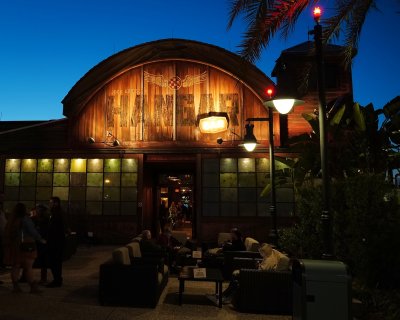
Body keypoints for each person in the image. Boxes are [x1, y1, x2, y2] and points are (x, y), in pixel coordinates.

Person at [220, 243, 289, 304]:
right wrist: (259, 265)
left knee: (235, 275)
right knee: (235, 277)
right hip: (257, 275)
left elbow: (260, 273)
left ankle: (227, 296)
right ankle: (226, 295)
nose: (259, 253)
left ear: (263, 251)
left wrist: (245, 271)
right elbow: (262, 269)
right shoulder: (270, 255)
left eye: (260, 252)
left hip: (256, 278)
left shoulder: (269, 261)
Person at [3, 202, 46, 293]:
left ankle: (16, 286)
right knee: (28, 267)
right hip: (27, 245)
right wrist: (40, 239)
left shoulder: (12, 220)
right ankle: (33, 287)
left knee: (16, 266)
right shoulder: (25, 219)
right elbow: (32, 231)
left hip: (15, 246)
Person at [46, 197, 66, 288]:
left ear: (56, 203)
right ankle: (58, 279)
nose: (49, 204)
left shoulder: (56, 214)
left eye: (51, 202)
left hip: (55, 241)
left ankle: (57, 280)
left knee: (55, 261)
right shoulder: (57, 213)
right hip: (58, 241)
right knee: (56, 262)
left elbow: (54, 228)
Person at [31, 204, 50, 284]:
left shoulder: (44, 220)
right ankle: (42, 278)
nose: (37, 211)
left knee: (42, 260)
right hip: (40, 241)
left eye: (38, 209)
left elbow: (41, 231)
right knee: (41, 260)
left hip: (42, 241)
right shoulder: (38, 219)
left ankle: (43, 278)